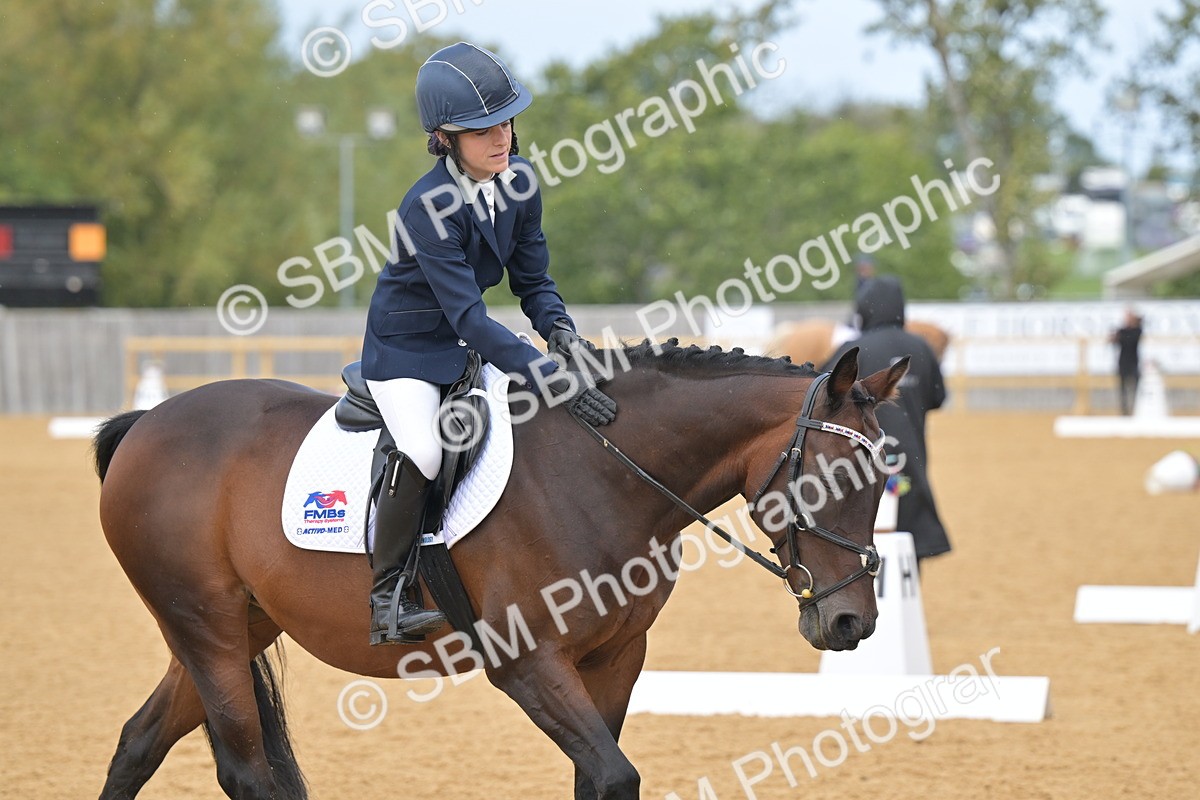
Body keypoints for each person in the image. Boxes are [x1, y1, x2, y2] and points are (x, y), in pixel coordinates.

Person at [359, 42, 617, 646]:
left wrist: (560, 333)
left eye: (506, 121)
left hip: (466, 347)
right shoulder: (426, 206)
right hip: (408, 352)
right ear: (446, 138)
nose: (501, 137)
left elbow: (534, 281)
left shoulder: (520, 181)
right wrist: (544, 372)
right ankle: (388, 596)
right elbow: (472, 318)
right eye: (482, 130)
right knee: (424, 451)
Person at [823, 276, 951, 562]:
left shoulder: (854, 349)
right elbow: (938, 398)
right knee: (908, 543)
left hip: (860, 465)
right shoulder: (921, 348)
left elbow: (821, 392)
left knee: (858, 537)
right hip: (911, 460)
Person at [1110, 309, 1143, 416]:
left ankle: (1136, 411)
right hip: (1123, 363)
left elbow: (1131, 339)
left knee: (1136, 390)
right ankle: (1124, 412)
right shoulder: (1122, 331)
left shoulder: (1136, 331)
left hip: (1134, 363)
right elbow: (1113, 341)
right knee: (1123, 390)